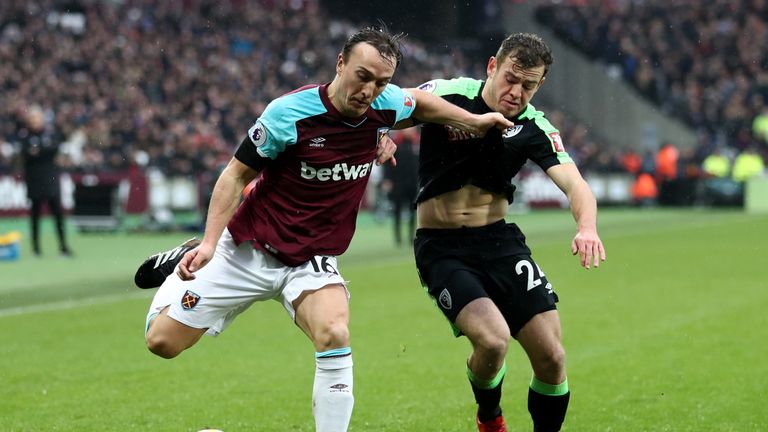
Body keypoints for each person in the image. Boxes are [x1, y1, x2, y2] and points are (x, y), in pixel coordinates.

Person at [141, 27, 513, 432]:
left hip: (311, 257)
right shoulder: (289, 113)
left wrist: (474, 122)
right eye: (362, 76)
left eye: (381, 82)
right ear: (340, 64)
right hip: (248, 246)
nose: (369, 90)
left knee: (335, 332)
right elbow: (234, 176)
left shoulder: (384, 105)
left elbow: (421, 102)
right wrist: (211, 243)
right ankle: (184, 256)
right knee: (162, 343)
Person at [405, 33, 606, 432]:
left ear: (540, 85)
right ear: (492, 67)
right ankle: (489, 416)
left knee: (552, 357)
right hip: (442, 248)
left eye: (528, 85)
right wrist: (378, 137)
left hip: (498, 242)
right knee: (494, 341)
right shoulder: (448, 94)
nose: (516, 93)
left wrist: (587, 227)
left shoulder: (534, 126)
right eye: (511, 79)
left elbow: (575, 184)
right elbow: (387, 106)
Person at [14, 106, 72, 257]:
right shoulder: (24, 135)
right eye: (32, 119)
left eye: (37, 118)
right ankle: (36, 249)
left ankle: (63, 247)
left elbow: (53, 149)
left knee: (57, 213)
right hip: (34, 180)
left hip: (51, 179)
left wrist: (38, 151)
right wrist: (41, 151)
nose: (35, 122)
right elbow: (27, 153)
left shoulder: (50, 133)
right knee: (35, 215)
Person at [381, 128, 419, 246]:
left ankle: (411, 236)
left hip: (413, 182)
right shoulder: (395, 143)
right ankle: (398, 237)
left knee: (413, 210)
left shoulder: (417, 143)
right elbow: (387, 163)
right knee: (397, 210)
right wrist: (387, 179)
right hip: (398, 182)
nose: (410, 130)